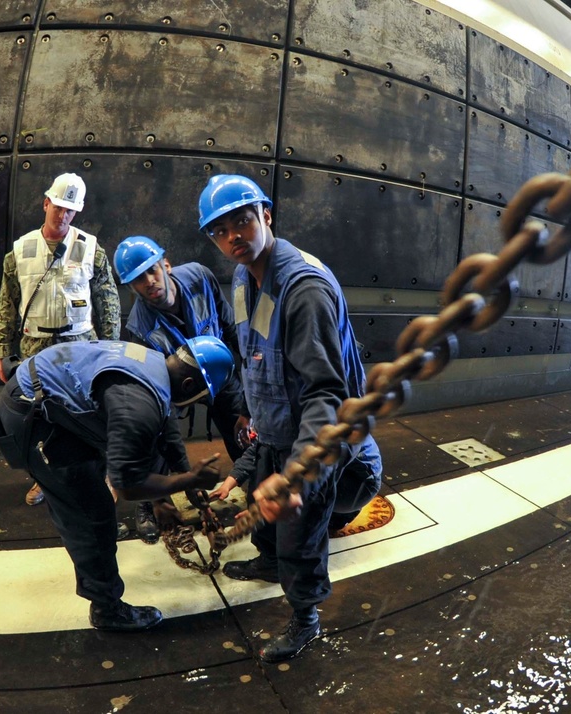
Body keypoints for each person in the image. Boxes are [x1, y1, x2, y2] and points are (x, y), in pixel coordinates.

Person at [198, 174, 383, 663]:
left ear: (266, 215)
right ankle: (267, 561)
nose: (233, 235)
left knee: (299, 534)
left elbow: (327, 394)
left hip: (321, 442)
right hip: (278, 432)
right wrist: (252, 429)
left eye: (242, 220)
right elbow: (258, 357)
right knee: (264, 522)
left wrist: (299, 472)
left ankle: (305, 619)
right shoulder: (243, 280)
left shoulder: (304, 290)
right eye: (220, 229)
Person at [0, 337, 235, 631]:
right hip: (31, 419)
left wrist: (179, 490)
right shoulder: (137, 404)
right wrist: (188, 479)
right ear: (190, 386)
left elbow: (163, 435)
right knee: (91, 512)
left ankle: (97, 556)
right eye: (203, 398)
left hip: (45, 400)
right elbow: (128, 485)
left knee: (95, 480)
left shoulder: (153, 366)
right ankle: (107, 609)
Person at [0, 173, 122, 508]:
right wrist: (1, 352)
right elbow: (6, 304)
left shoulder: (90, 249)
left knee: (91, 411)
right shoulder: (20, 252)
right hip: (36, 347)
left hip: (82, 345)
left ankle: (103, 474)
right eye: (59, 207)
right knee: (38, 417)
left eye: (70, 211)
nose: (62, 216)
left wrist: (112, 347)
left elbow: (108, 301)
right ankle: (45, 481)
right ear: (46, 202)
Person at [113, 235, 252, 541]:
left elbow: (230, 330)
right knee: (154, 436)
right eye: (138, 280)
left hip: (218, 372)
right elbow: (157, 401)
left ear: (166, 264)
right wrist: (187, 479)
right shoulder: (139, 330)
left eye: (152, 270)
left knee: (241, 429)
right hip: (175, 388)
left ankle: (254, 483)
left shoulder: (201, 277)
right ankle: (153, 504)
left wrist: (246, 402)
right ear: (131, 287)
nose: (149, 282)